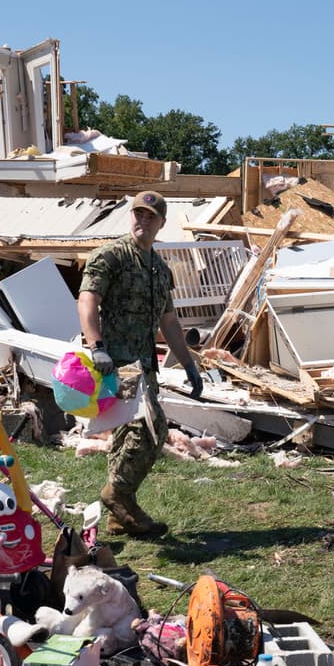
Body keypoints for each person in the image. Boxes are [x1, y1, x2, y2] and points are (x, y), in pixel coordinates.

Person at [77, 191, 203, 538]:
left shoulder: (159, 269)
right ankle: (117, 494)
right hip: (115, 364)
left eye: (150, 217)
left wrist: (189, 364)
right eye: (138, 214)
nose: (142, 222)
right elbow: (87, 298)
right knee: (152, 430)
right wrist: (96, 345)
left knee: (124, 437)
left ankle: (120, 514)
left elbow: (169, 321)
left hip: (144, 364)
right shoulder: (111, 256)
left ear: (161, 223)